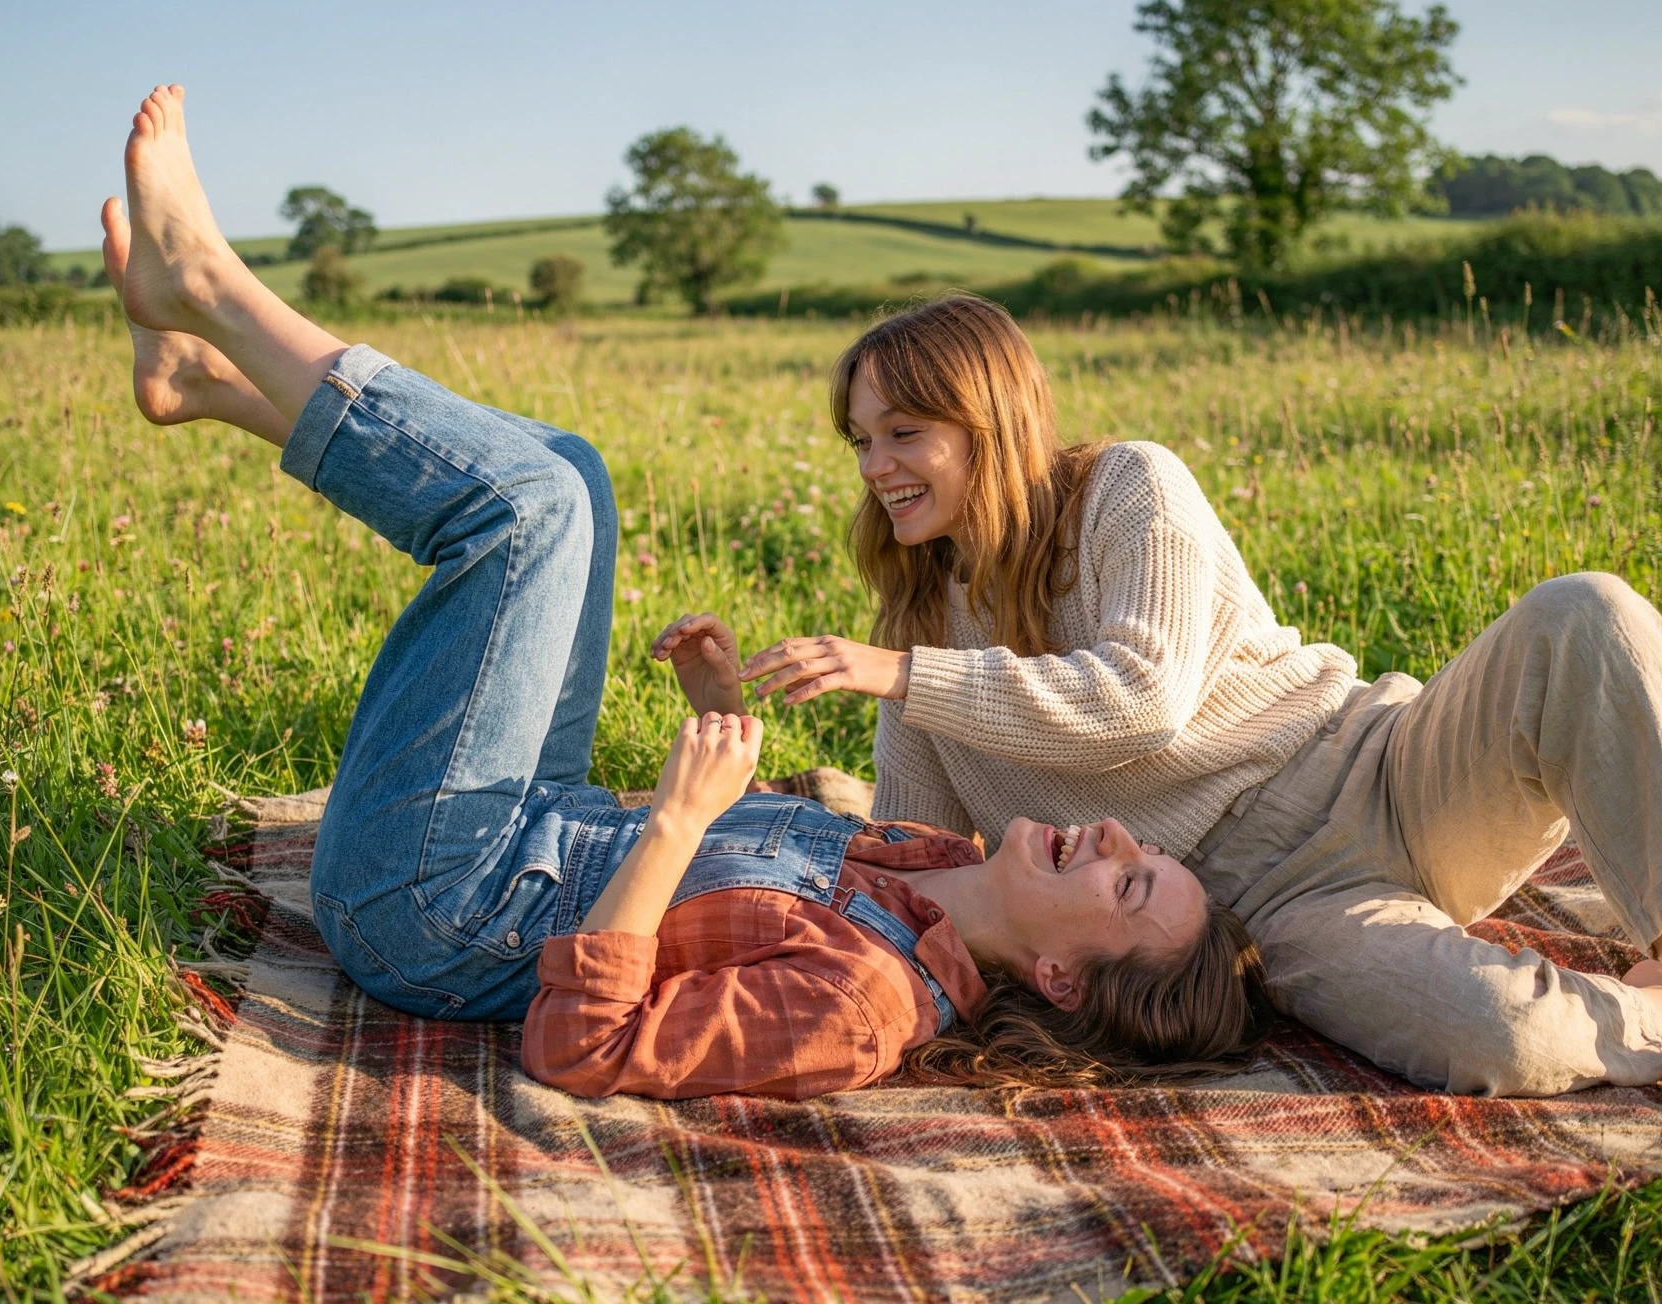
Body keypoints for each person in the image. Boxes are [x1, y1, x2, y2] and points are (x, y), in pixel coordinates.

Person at [96, 86, 1268, 1099]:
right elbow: (736, 881)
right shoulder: (922, 853)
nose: (1116, 832)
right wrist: (725, 732)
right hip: (525, 832)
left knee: (528, 514)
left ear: (1060, 978)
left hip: (431, 903)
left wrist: (676, 816)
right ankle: (211, 379)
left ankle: (205, 282)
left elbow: (579, 1043)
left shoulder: (866, 1003)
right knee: (577, 478)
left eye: (1129, 877)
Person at [669, 293, 1662, 1106]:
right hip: (1258, 911)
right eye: (860, 441)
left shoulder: (1127, 487)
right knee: (1497, 1031)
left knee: (1586, 611)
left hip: (1382, 768)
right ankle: (1649, 1003)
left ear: (983, 420)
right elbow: (933, 859)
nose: (875, 467)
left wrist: (899, 671)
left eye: (901, 432)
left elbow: (1145, 699)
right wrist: (736, 755)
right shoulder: (923, 632)